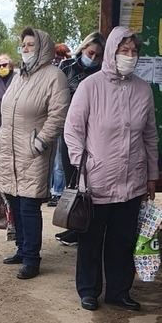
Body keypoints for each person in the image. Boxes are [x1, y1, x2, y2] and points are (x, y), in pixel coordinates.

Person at [64, 26, 158, 311]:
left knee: (122, 240)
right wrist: (85, 166)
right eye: (123, 50)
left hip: (132, 181)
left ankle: (118, 291)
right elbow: (72, 130)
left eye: (134, 51)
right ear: (112, 53)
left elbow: (150, 136)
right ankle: (88, 290)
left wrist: (152, 175)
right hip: (96, 181)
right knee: (91, 239)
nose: (129, 56)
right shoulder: (90, 86)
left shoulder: (143, 90)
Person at [0, 27, 70, 279]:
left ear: (42, 47)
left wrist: (41, 142)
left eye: (31, 45)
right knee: (14, 202)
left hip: (33, 152)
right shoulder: (20, 76)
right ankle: (21, 248)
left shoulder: (54, 76)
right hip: (10, 150)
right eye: (23, 45)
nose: (25, 49)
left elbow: (58, 115)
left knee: (28, 206)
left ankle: (31, 259)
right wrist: (0, 137)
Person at [52, 30, 106, 226]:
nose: (93, 58)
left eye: (98, 55)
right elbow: (56, 96)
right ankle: (73, 221)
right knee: (70, 175)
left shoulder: (102, 72)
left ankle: (85, 222)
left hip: (93, 131)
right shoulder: (66, 67)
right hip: (69, 128)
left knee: (89, 177)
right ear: (83, 48)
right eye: (90, 53)